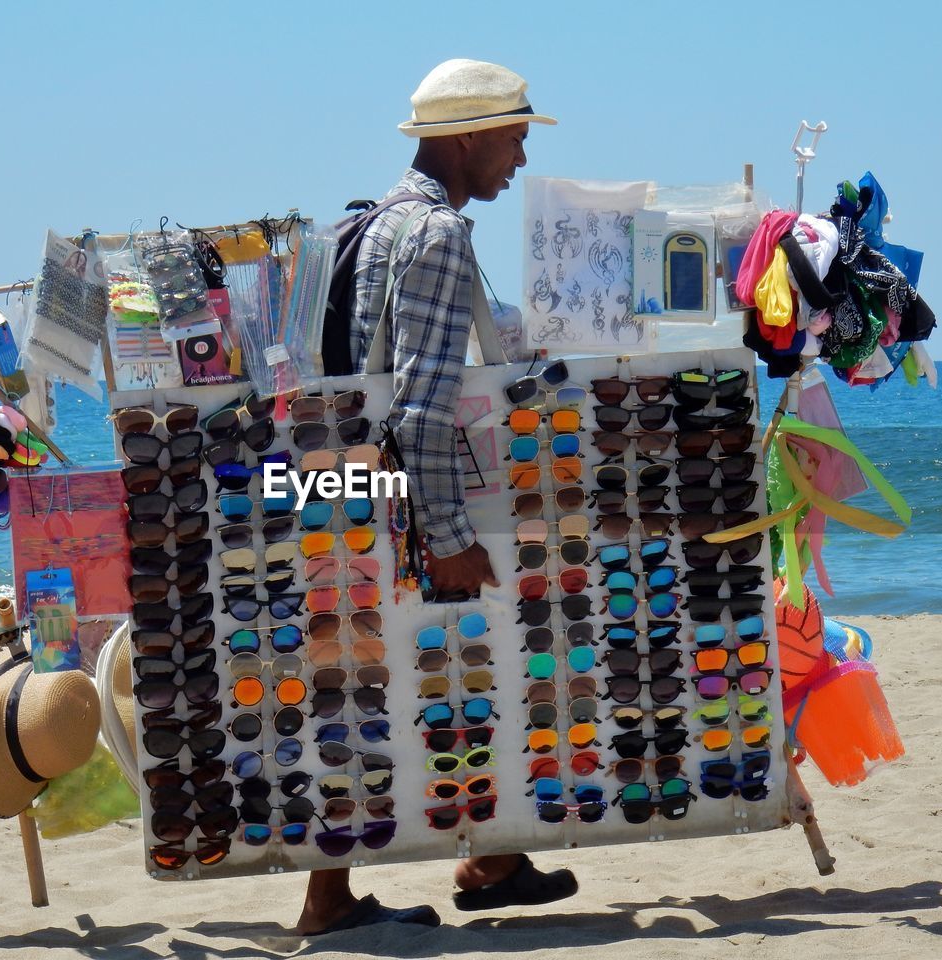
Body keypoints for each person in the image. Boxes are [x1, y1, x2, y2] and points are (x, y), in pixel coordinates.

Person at [295, 58, 578, 936]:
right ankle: (333, 898)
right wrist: (449, 534)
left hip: (352, 487)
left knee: (369, 682)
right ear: (466, 137)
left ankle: (484, 857)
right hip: (409, 499)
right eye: (514, 135)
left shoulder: (365, 224)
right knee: (444, 669)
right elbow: (421, 404)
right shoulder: (440, 236)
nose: (521, 157)